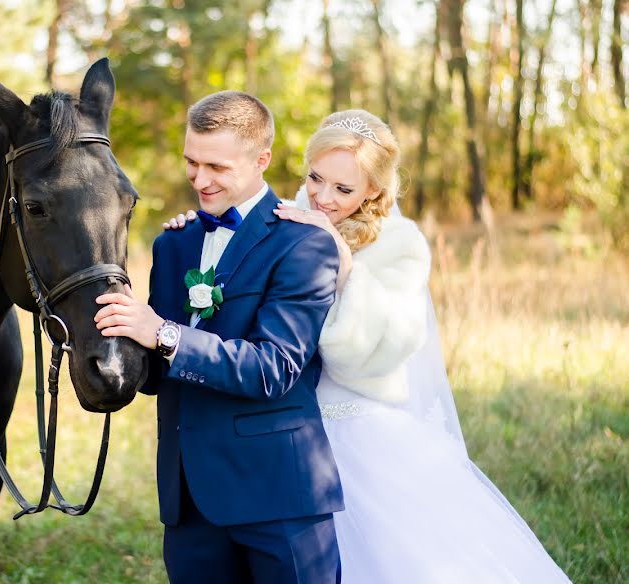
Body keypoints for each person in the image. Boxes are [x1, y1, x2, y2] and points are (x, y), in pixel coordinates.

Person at [165, 109, 572, 583]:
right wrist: (199, 228)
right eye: (315, 178)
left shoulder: (400, 245)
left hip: (355, 430)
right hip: (276, 427)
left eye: (343, 189)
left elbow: (374, 352)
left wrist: (344, 266)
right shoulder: (283, 222)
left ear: (373, 192)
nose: (322, 197)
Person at [94, 91, 344, 583]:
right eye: (191, 162)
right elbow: (157, 373)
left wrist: (163, 332)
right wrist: (107, 338)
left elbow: (274, 369)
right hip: (190, 505)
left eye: (217, 167)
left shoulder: (305, 243)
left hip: (278, 498)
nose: (200, 180)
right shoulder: (173, 243)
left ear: (261, 160)